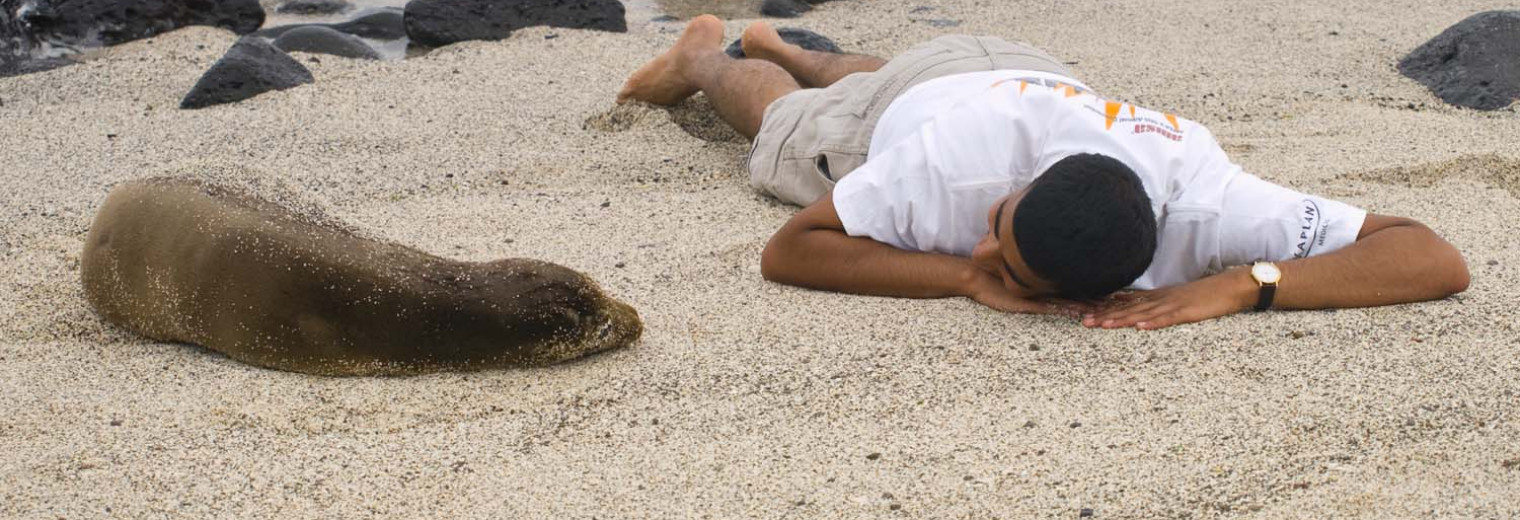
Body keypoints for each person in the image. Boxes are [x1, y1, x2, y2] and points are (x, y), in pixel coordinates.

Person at [617, 16, 1470, 330]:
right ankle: (709, 54)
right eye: (1000, 231)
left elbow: (1432, 256)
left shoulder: (1212, 205)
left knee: (902, 78)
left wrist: (1244, 285)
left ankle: (787, 43)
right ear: (1009, 197)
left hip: (1022, 70)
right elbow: (790, 249)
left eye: (1002, 261)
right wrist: (964, 278)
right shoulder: (949, 174)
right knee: (788, 128)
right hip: (958, 98)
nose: (987, 249)